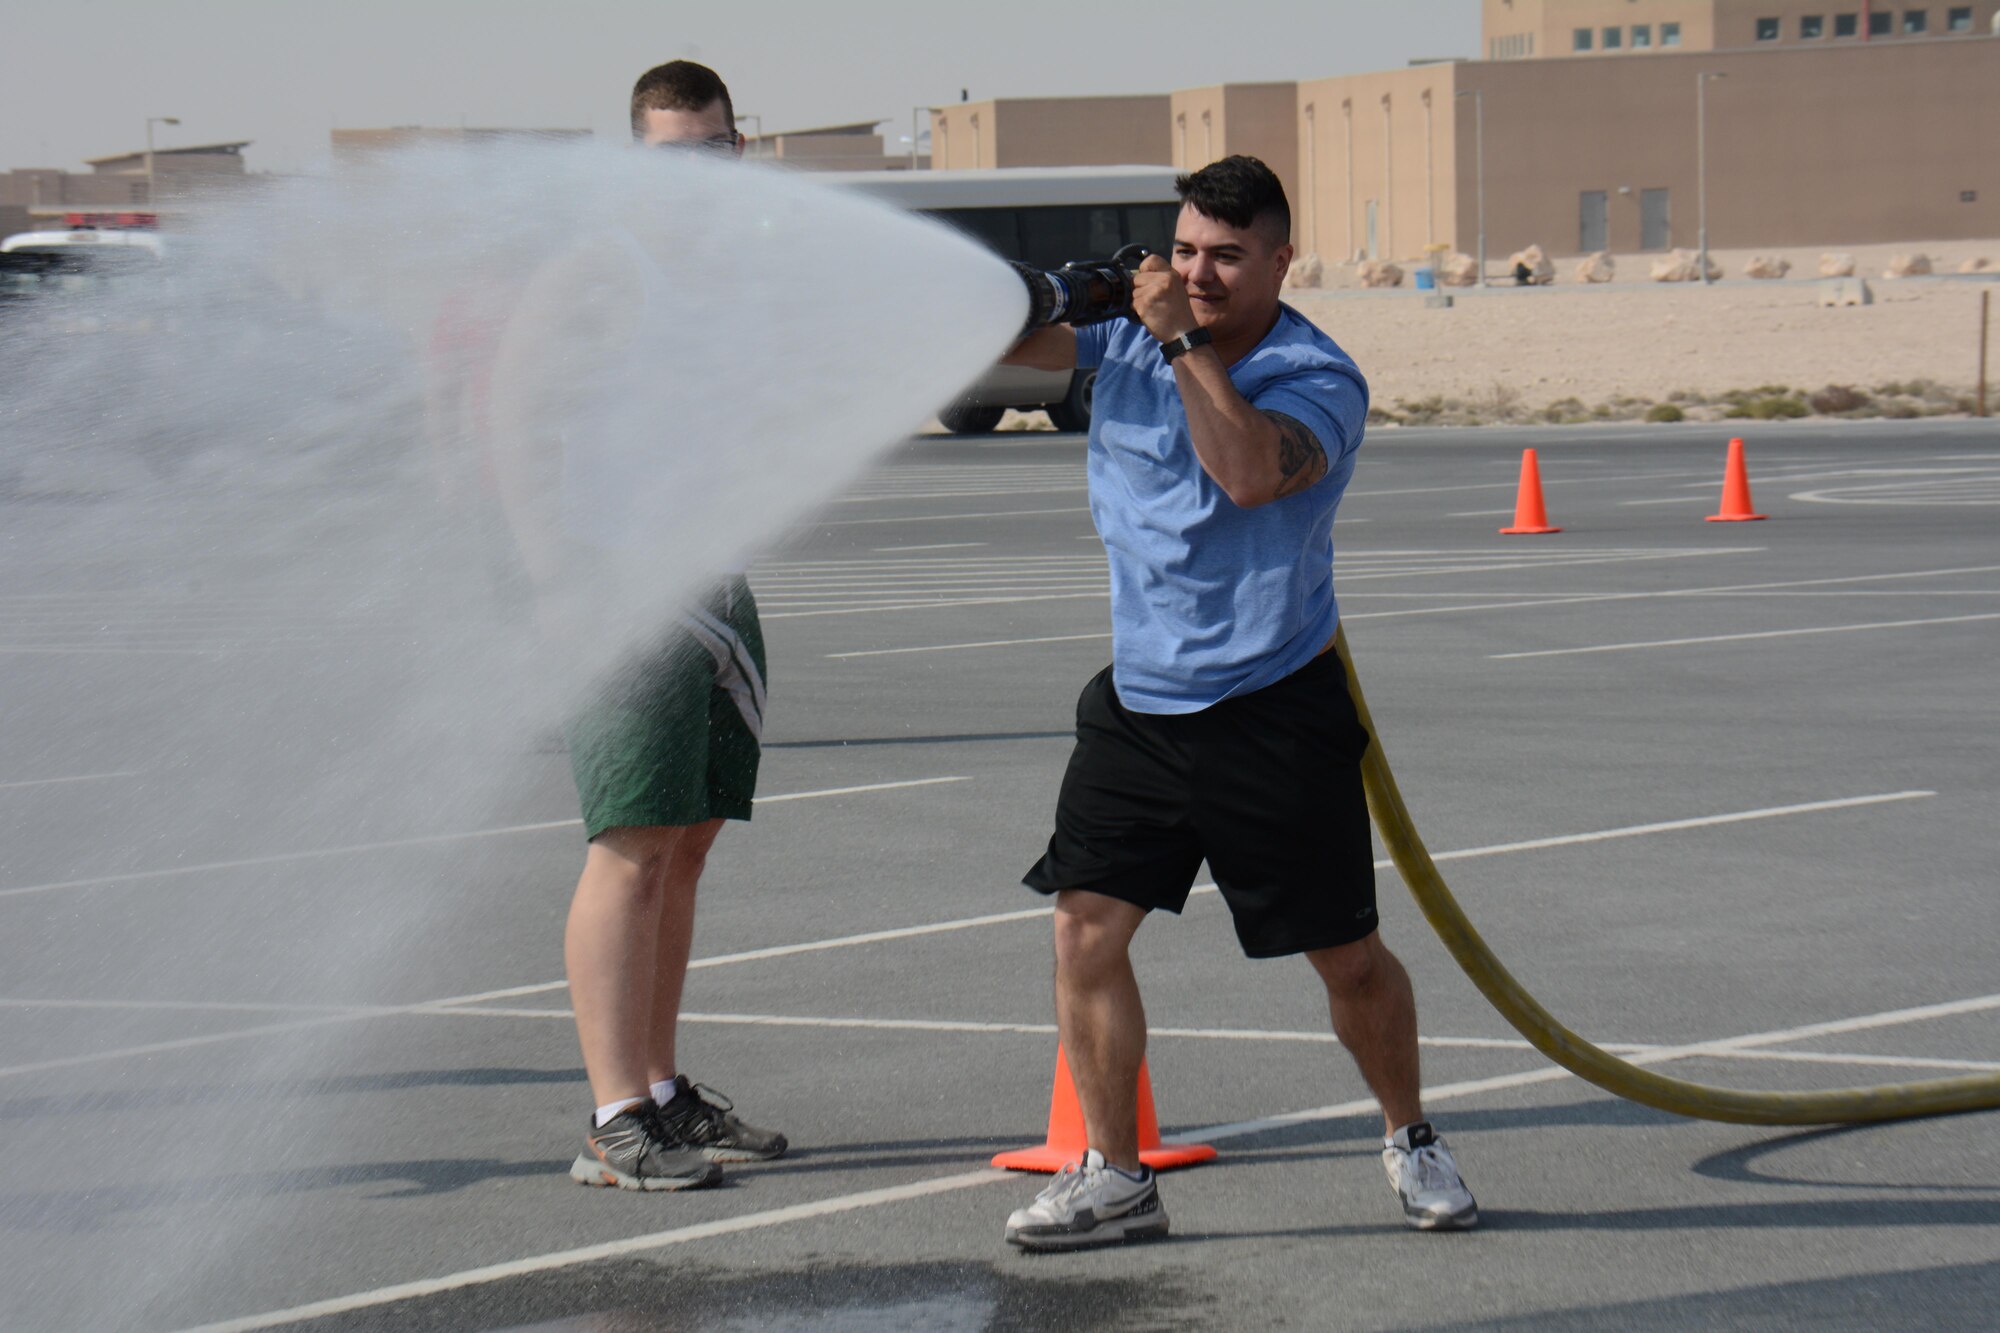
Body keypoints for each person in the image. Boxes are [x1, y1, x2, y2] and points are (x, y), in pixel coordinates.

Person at [998, 156, 1477, 1250]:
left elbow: (1249, 473)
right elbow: (990, 346)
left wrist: (1178, 341)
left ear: (1276, 260)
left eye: (1222, 255)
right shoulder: (1125, 334)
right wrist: (1048, 293)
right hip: (1139, 701)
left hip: (1270, 700)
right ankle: (1116, 1176)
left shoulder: (1317, 375)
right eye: (1180, 251)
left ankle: (1409, 1136)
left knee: (1345, 955)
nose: (1195, 273)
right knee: (1082, 932)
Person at [492, 59, 786, 1193]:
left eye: (711, 151)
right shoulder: (594, 272)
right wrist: (554, 584)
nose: (694, 174)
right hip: (618, 593)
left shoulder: (727, 275)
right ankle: (610, 1117)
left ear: (738, 152)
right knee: (626, 847)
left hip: (712, 585)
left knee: (686, 841)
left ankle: (661, 1093)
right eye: (670, 158)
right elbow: (513, 419)